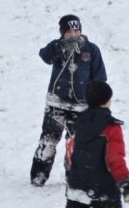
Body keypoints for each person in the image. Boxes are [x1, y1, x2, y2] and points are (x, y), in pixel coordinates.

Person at [31, 14, 107, 187]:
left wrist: (96, 102)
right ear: (62, 33)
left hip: (81, 107)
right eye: (69, 31)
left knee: (76, 144)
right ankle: (39, 175)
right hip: (56, 103)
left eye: (76, 30)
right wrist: (61, 47)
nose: (74, 34)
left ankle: (73, 177)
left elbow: (100, 77)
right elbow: (45, 56)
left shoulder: (91, 50)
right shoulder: (57, 47)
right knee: (48, 141)